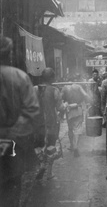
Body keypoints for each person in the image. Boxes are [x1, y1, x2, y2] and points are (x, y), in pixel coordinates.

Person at [0, 35, 39, 207]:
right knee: (12, 186)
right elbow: (32, 110)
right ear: (10, 54)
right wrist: (10, 135)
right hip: (12, 143)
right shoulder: (20, 77)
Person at [34, 67, 63, 179]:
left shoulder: (35, 89)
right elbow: (60, 108)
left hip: (37, 123)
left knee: (37, 145)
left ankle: (41, 163)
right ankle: (49, 173)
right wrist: (65, 106)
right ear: (52, 78)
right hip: (51, 123)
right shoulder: (55, 90)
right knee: (51, 146)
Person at [61, 83, 91, 157]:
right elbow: (86, 95)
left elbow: (60, 98)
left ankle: (72, 145)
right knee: (77, 129)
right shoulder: (78, 86)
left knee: (70, 129)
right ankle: (75, 146)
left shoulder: (65, 87)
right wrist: (89, 102)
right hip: (78, 109)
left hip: (69, 110)